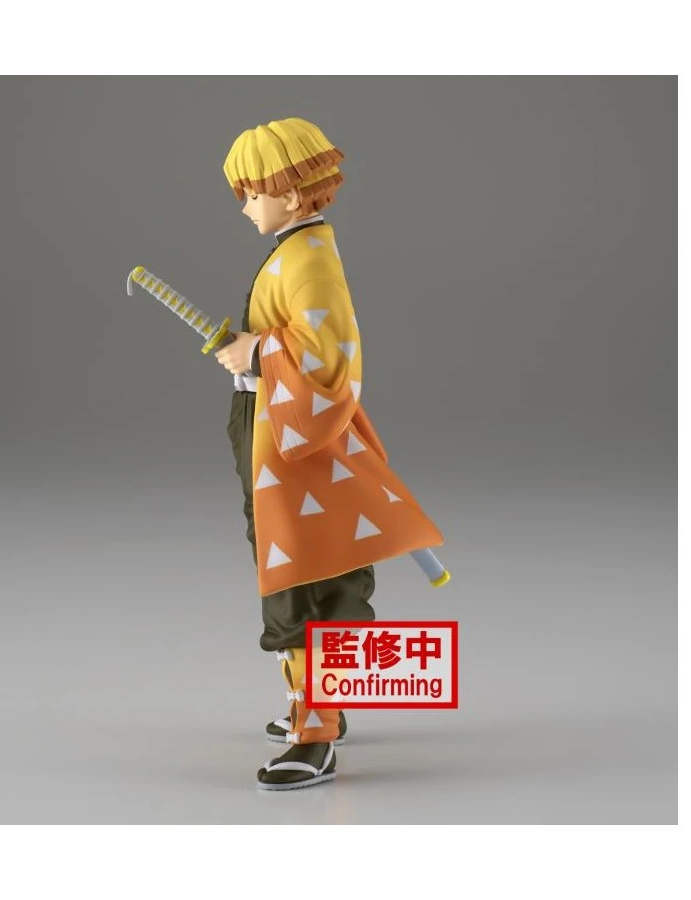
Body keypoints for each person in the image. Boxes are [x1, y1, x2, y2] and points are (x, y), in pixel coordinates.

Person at [215, 117, 443, 790]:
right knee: (302, 562)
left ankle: (315, 730)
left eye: (251, 193)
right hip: (276, 428)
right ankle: (318, 709)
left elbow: (326, 360)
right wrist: (256, 350)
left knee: (305, 573)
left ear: (289, 194)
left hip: (296, 440)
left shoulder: (307, 258)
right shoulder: (298, 250)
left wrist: (257, 350)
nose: (244, 206)